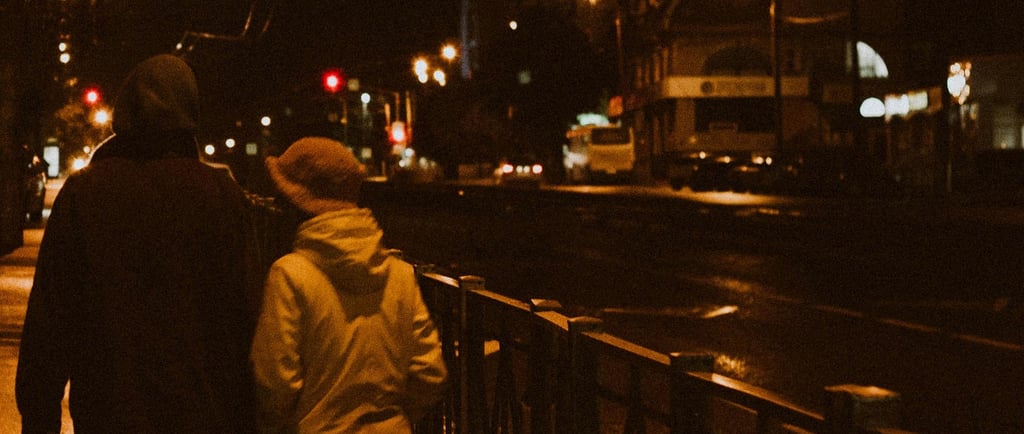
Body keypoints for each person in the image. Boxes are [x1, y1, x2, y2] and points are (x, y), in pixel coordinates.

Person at [16, 54, 260, 433]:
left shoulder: (86, 193)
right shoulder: (221, 196)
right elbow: (243, 312)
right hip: (203, 411)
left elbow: (51, 317)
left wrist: (39, 416)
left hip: (109, 407)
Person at [251, 137, 447, 433]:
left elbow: (276, 386)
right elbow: (429, 373)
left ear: (297, 204)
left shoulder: (289, 275)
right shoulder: (400, 274)